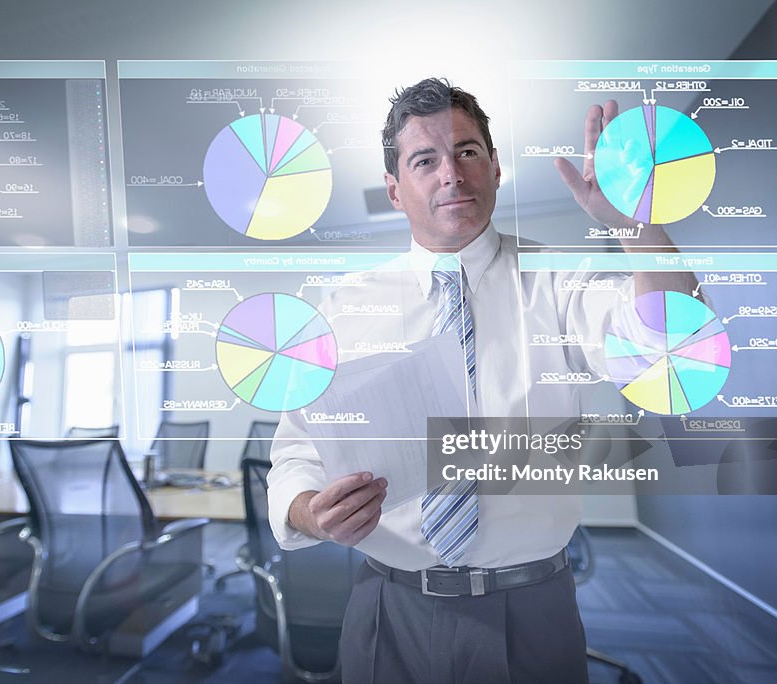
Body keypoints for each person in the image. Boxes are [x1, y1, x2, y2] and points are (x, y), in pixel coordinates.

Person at [268, 77, 695, 683]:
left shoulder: (558, 281)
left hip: (531, 609)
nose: (451, 173)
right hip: (390, 604)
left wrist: (636, 224)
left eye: (468, 152)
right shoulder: (342, 306)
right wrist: (311, 512)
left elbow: (669, 352)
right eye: (425, 159)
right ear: (394, 189)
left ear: (495, 168)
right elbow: (296, 450)